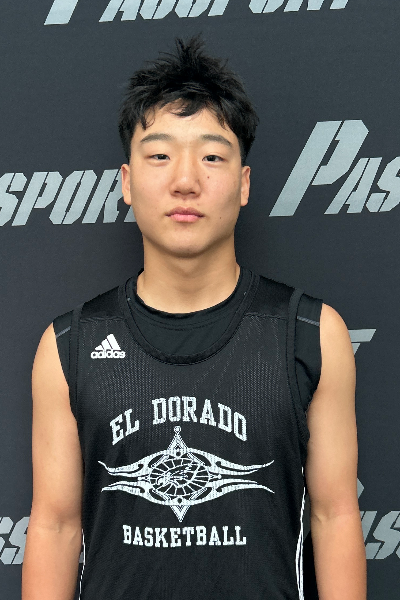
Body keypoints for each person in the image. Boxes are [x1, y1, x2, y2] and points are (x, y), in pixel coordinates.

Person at [22, 35, 366, 599]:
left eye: (212, 156)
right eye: (159, 156)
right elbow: (56, 526)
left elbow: (335, 516)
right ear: (126, 182)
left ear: (244, 183)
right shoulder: (70, 345)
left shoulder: (309, 333)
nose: (186, 180)